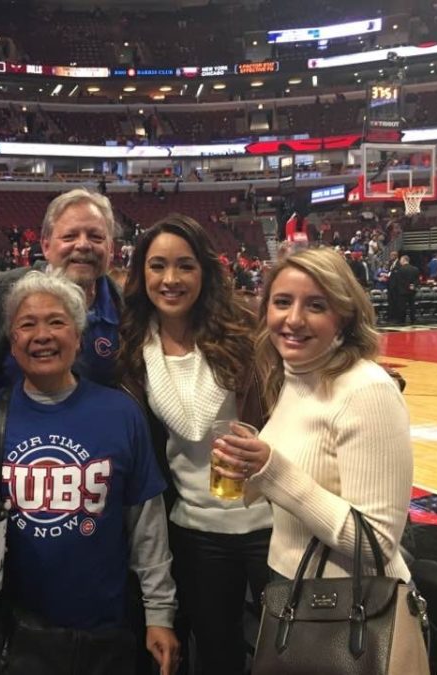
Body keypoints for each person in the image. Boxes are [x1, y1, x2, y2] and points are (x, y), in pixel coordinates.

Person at [0, 271, 180, 675]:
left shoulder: (122, 413)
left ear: (78, 337)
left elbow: (147, 525)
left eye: (56, 322)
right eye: (27, 324)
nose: (42, 335)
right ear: (12, 343)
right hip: (17, 632)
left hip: (103, 630)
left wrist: (159, 613)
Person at [118, 215, 271, 675]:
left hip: (271, 522)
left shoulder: (246, 329)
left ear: (204, 271)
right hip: (194, 529)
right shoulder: (130, 351)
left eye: (184, 266)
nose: (170, 279)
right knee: (217, 652)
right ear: (141, 274)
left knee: (288, 652)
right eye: (158, 266)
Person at [213, 248, 413, 586]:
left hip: (353, 610)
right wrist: (250, 474)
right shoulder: (294, 376)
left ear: (345, 316)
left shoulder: (367, 391)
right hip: (293, 590)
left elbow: (377, 544)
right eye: (282, 302)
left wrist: (271, 470)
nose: (293, 319)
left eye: (316, 305)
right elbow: (308, 480)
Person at [0, 188, 122, 397]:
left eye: (96, 237)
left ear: (110, 249)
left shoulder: (127, 310)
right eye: (70, 236)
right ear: (46, 246)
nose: (83, 245)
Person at [393, 254, 420, 324]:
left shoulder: (400, 270)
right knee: (412, 306)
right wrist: (413, 285)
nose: (400, 262)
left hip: (402, 291)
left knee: (402, 307)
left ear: (403, 260)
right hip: (412, 290)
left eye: (401, 260)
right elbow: (417, 280)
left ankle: (402, 320)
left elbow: (398, 281)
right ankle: (413, 319)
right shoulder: (415, 269)